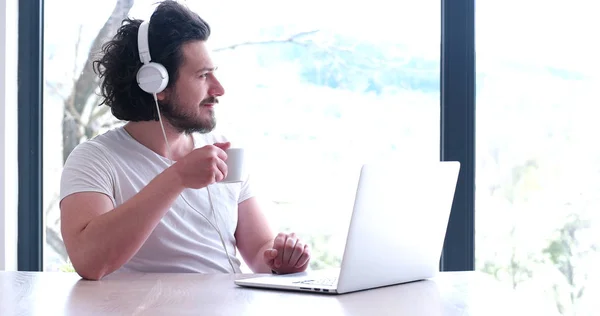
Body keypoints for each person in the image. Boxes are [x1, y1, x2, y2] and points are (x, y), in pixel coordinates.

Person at [59, 0, 311, 280]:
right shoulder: (95, 159)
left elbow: (261, 252)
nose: (219, 89)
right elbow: (89, 262)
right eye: (203, 76)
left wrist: (282, 260)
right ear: (155, 84)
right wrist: (177, 177)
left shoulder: (225, 150)